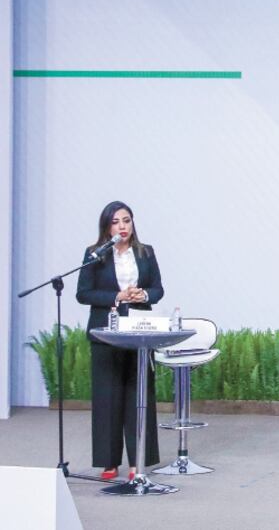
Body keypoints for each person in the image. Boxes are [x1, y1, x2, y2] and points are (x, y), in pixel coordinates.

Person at [76, 201, 164, 481]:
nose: (122, 226)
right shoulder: (94, 254)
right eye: (115, 222)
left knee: (138, 394)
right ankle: (109, 462)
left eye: (126, 220)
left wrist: (143, 295)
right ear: (106, 227)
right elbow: (83, 293)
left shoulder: (146, 252)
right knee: (107, 396)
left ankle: (139, 461)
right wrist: (117, 296)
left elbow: (158, 289)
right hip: (105, 331)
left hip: (138, 330)